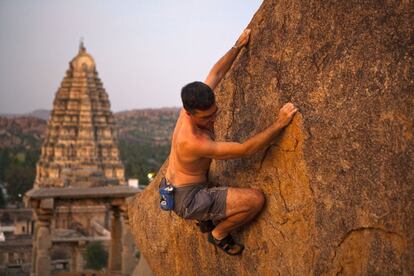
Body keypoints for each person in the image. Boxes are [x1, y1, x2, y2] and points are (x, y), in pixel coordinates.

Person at [161, 29, 298, 255]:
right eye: (206, 117)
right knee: (255, 200)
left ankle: (205, 217)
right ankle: (219, 233)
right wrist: (280, 123)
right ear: (189, 113)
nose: (213, 119)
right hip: (188, 198)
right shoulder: (193, 141)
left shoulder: (193, 104)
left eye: (214, 112)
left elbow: (216, 73)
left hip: (177, 187)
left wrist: (237, 46)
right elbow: (246, 149)